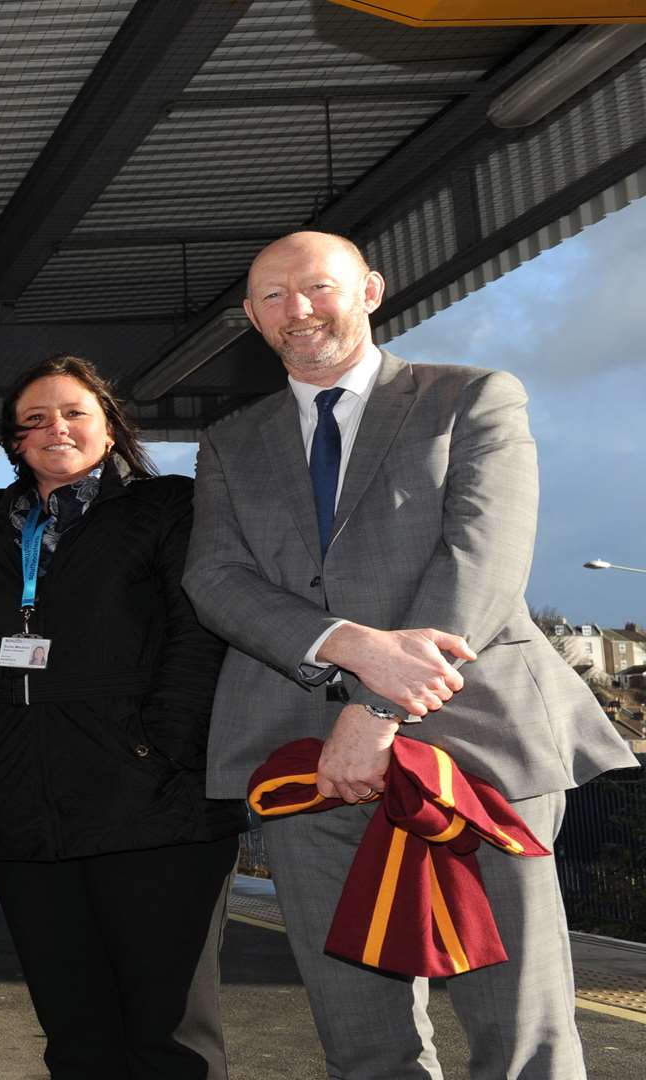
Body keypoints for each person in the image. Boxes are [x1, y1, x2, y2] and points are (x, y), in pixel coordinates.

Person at [183, 231, 635, 1077]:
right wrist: (344, 646)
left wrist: (377, 708)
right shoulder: (229, 444)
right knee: (359, 1036)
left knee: (520, 1029)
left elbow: (485, 560)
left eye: (316, 287)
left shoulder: (474, 397)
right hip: (300, 760)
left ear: (371, 290)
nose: (297, 310)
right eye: (272, 298)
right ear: (250, 317)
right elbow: (215, 579)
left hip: (481, 747)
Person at [0, 355, 244, 1078]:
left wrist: (159, 748)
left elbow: (198, 640)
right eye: (35, 419)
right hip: (22, 810)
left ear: (110, 426)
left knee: (169, 1039)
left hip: (154, 808)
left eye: (74, 412)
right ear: (15, 442)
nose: (56, 428)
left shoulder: (172, 508)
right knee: (76, 1037)